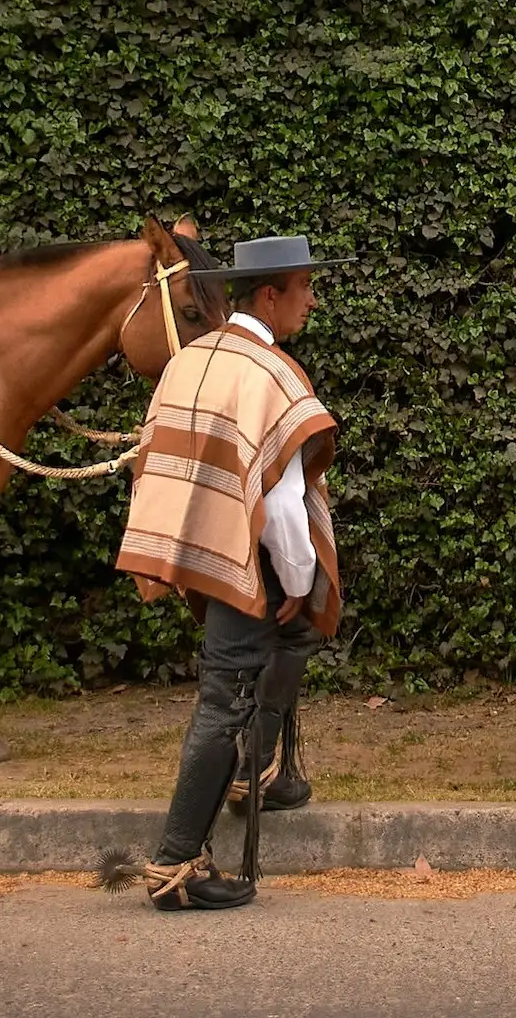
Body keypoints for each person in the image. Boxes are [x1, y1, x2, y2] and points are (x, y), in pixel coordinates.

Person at [109, 234, 349, 911]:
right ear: (269, 295)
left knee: (269, 662)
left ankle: (259, 772)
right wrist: (300, 582)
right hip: (252, 559)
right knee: (225, 701)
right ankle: (177, 865)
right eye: (304, 288)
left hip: (201, 547)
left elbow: (158, 456)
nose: (310, 300)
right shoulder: (271, 374)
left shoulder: (192, 359)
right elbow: (281, 504)